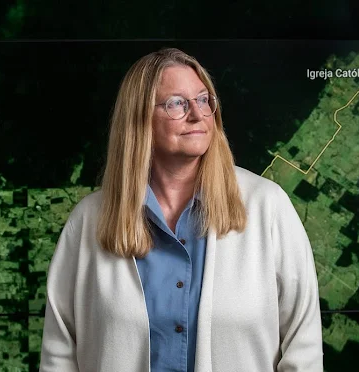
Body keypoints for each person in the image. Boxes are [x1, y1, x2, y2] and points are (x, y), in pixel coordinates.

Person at [39, 47, 323, 371]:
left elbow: (304, 349)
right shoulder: (89, 220)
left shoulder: (267, 207)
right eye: (177, 103)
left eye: (204, 100)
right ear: (139, 118)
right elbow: (59, 355)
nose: (198, 115)